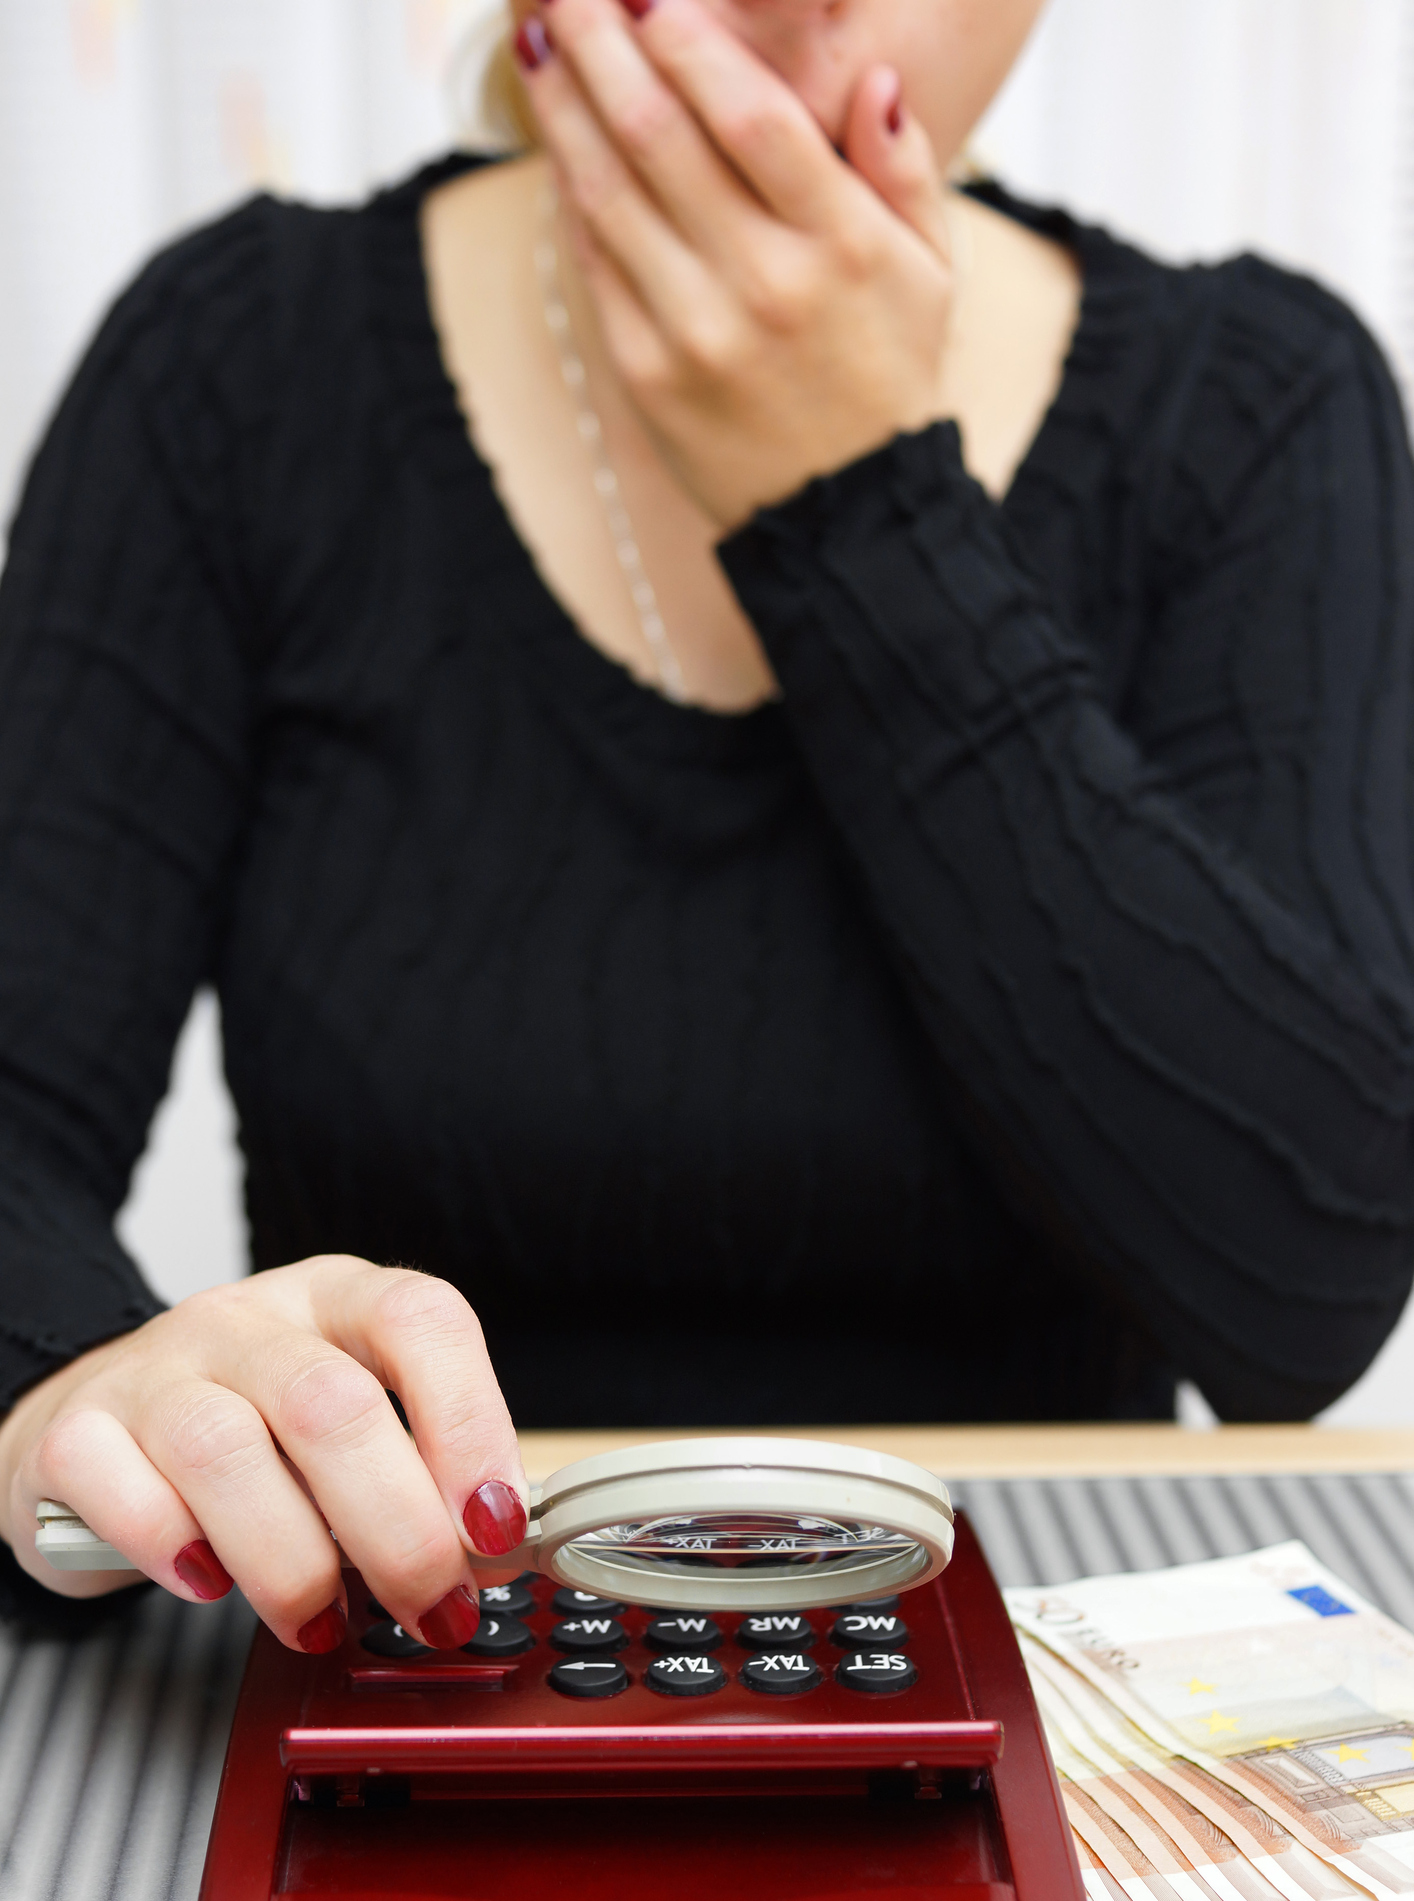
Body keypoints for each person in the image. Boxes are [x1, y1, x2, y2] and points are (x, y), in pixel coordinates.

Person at [0, 0, 1411, 1653]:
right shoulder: (232, 367)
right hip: (403, 1671)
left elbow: (1303, 1284)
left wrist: (859, 502)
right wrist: (74, 1374)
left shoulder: (1255, 401)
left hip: (1029, 1676)